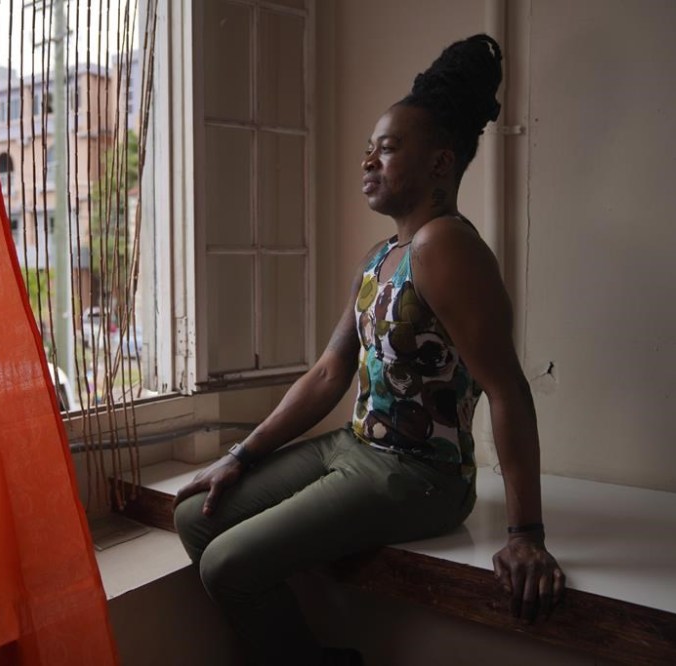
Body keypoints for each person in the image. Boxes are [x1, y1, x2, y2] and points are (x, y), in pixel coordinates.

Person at [173, 34, 565, 666]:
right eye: (368, 151)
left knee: (226, 564)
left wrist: (527, 535)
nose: (367, 163)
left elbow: (508, 388)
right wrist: (241, 456)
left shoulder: (447, 248)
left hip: (419, 475)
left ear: (440, 163)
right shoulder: (383, 256)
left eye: (386, 149)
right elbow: (330, 372)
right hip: (354, 446)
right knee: (195, 515)